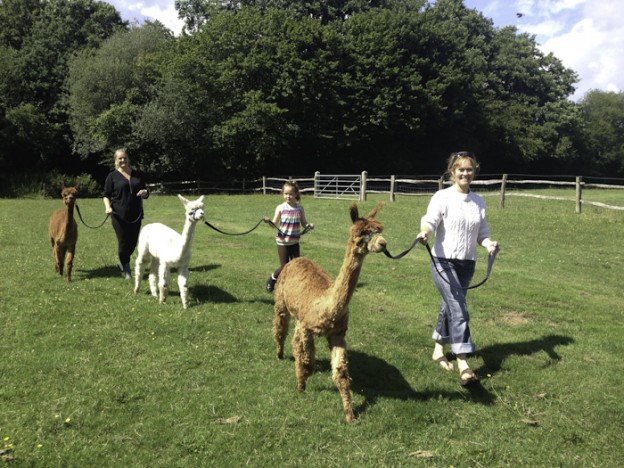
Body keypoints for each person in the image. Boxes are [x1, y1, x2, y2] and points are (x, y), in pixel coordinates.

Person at [417, 151, 499, 386]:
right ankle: (464, 364)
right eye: (460, 169)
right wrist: (425, 232)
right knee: (458, 307)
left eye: (469, 169)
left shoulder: (479, 201)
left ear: (475, 171)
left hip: (467, 263)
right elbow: (430, 220)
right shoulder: (442, 197)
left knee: (449, 305)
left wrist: (489, 244)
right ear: (452, 172)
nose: (465, 173)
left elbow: (481, 233)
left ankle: (438, 348)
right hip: (443, 261)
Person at [102, 148, 149, 279]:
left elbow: (145, 190)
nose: (123, 160)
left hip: (136, 214)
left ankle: (122, 261)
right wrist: (108, 207)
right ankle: (126, 268)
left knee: (133, 242)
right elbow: (106, 195)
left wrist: (145, 193)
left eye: (125, 158)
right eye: (120, 158)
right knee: (123, 241)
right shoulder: (112, 176)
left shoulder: (138, 175)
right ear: (116, 160)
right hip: (118, 214)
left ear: (128, 159)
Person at [264, 181, 313, 292]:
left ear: (296, 194)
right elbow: (274, 224)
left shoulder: (299, 209)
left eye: (291, 194)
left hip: (295, 242)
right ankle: (272, 279)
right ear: (283, 194)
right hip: (283, 242)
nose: (288, 196)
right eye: (286, 194)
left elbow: (304, 223)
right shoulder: (280, 208)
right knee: (284, 267)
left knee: (297, 266)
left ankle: (292, 287)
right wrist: (269, 222)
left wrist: (308, 226)